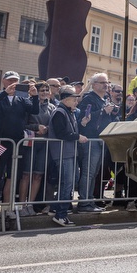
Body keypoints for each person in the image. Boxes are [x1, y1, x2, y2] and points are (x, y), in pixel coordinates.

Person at [0, 71, 39, 214]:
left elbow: (34, 110)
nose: (12, 83)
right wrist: (5, 93)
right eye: (10, 80)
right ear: (4, 81)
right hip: (0, 142)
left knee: (12, 175)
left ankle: (7, 208)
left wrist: (35, 96)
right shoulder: (0, 96)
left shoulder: (21, 99)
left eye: (15, 80)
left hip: (16, 143)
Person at [75, 73, 117, 213]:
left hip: (100, 140)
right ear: (94, 85)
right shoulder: (89, 98)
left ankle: (89, 200)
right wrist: (103, 111)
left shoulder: (104, 99)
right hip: (90, 140)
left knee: (94, 173)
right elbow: (84, 118)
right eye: (102, 82)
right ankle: (84, 202)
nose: (106, 85)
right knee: (88, 172)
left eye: (107, 82)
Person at [48, 86, 86, 226]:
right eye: (74, 99)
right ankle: (61, 214)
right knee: (67, 183)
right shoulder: (59, 112)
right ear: (65, 100)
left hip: (69, 152)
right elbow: (61, 133)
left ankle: (56, 208)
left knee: (71, 181)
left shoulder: (68, 112)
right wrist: (78, 137)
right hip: (63, 153)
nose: (76, 102)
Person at [19, 80, 56, 216]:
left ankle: (30, 204)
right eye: (42, 90)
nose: (45, 92)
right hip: (30, 143)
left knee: (38, 175)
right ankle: (21, 205)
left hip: (44, 144)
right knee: (26, 175)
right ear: (36, 91)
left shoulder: (52, 107)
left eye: (47, 90)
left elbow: (55, 125)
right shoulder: (28, 104)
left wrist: (47, 129)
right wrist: (36, 127)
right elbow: (22, 124)